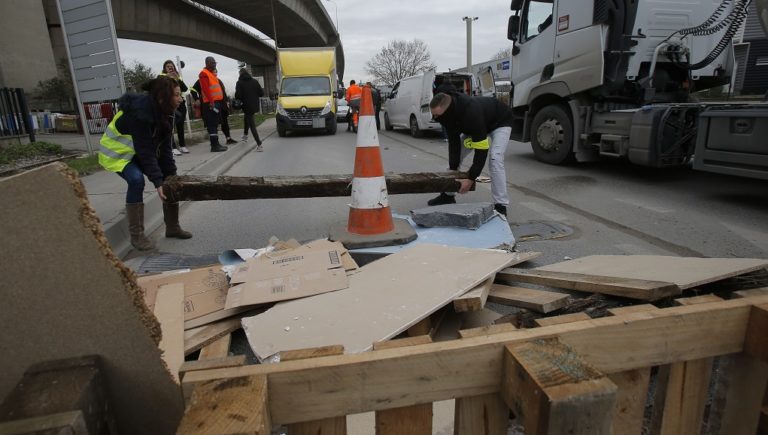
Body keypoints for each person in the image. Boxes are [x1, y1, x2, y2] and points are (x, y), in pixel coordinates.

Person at [98, 76, 193, 251]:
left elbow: (165, 147)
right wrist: (157, 182)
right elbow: (145, 151)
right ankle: (137, 236)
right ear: (162, 97)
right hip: (118, 153)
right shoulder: (138, 113)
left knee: (170, 180)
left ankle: (172, 227)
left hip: (136, 151)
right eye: (177, 95)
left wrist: (171, 176)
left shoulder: (168, 111)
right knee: (136, 180)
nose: (181, 99)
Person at [427, 91, 513, 216]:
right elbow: (454, 144)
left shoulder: (471, 112)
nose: (435, 118)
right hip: (476, 126)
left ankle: (501, 205)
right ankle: (448, 196)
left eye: (437, 115)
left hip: (500, 122)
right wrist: (453, 168)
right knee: (455, 159)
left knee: (495, 158)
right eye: (433, 115)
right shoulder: (447, 118)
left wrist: (471, 178)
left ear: (447, 111)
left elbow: (481, 150)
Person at [159, 60, 190, 156]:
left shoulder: (177, 77)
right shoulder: (161, 77)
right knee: (170, 126)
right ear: (164, 68)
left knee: (180, 125)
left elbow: (185, 89)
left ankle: (182, 145)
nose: (170, 67)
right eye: (168, 66)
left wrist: (178, 79)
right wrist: (168, 78)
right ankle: (172, 147)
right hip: (169, 105)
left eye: (172, 66)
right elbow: (160, 89)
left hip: (180, 104)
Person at [198, 56, 228, 152]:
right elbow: (206, 89)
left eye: (215, 62)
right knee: (212, 124)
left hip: (216, 103)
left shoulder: (211, 74)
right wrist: (211, 102)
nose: (214, 64)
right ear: (207, 63)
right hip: (211, 104)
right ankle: (214, 146)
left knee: (215, 124)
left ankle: (216, 144)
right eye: (212, 62)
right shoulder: (204, 74)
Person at [235, 68, 265, 151]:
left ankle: (259, 145)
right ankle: (245, 135)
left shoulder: (239, 83)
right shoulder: (255, 81)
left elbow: (238, 96)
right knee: (247, 118)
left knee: (252, 125)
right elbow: (261, 93)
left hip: (246, 106)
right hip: (255, 105)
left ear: (240, 74)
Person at [217, 73, 237, 145]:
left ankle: (228, 138)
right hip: (215, 106)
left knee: (224, 122)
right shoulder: (206, 80)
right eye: (213, 71)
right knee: (215, 124)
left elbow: (223, 93)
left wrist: (226, 102)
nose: (215, 73)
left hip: (223, 105)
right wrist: (197, 98)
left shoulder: (219, 81)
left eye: (216, 72)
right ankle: (215, 142)